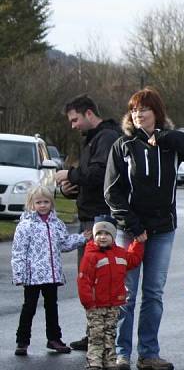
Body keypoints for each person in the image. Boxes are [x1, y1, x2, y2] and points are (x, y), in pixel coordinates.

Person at [105, 87, 184, 370]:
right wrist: (133, 226)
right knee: (127, 294)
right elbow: (112, 193)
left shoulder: (170, 144)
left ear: (156, 113)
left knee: (153, 294)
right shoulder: (123, 146)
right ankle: (121, 354)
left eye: (144, 109)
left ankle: (149, 353)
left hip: (163, 231)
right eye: (134, 109)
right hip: (131, 233)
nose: (138, 114)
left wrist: (166, 136)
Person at [55, 93, 122, 351]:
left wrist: (69, 174)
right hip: (91, 214)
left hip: (100, 218)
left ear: (89, 114)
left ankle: (100, 336)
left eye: (75, 120)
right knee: (90, 278)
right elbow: (90, 178)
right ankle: (94, 333)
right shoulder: (95, 139)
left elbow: (98, 173)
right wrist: (73, 188)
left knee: (98, 279)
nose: (73, 126)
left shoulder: (105, 138)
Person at [11, 185, 87, 356]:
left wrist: (82, 238)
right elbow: (18, 251)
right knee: (29, 307)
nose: (43, 205)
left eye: (46, 202)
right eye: (38, 202)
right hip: (32, 276)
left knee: (51, 306)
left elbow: (65, 243)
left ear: (51, 203)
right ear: (31, 204)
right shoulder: (26, 225)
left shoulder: (56, 224)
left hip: (51, 275)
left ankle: (54, 338)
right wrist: (19, 273)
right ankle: (22, 341)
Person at [78, 217, 144, 370]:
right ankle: (94, 362)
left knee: (110, 333)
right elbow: (84, 279)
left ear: (113, 236)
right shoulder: (90, 255)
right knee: (96, 333)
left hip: (114, 303)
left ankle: (109, 361)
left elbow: (133, 260)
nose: (102, 237)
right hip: (95, 304)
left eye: (106, 233)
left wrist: (138, 243)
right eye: (99, 233)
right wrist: (88, 301)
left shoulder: (120, 254)